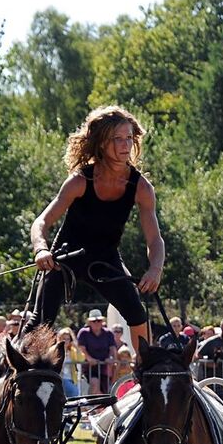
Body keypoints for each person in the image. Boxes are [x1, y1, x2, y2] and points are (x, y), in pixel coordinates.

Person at [26, 105, 165, 353]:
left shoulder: (141, 188)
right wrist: (41, 250)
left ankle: (147, 371)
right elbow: (42, 222)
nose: (125, 145)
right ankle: (18, 377)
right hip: (64, 258)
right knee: (38, 323)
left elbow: (154, 240)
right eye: (117, 139)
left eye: (129, 139)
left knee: (137, 313)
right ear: (101, 143)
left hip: (105, 258)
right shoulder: (80, 180)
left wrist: (155, 268)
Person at [77, 309, 117, 394]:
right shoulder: (83, 333)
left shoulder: (108, 333)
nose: (97, 323)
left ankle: (97, 406)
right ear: (89, 322)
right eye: (94, 321)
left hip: (105, 368)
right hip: (89, 368)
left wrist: (110, 358)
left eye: (99, 320)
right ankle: (89, 405)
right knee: (94, 383)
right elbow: (81, 348)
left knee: (104, 392)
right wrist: (89, 359)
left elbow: (113, 349)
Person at [56, 327, 85, 397]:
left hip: (71, 379)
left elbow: (82, 358)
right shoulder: (55, 350)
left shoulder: (72, 351)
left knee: (73, 398)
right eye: (63, 339)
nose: (66, 341)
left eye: (68, 339)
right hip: (59, 378)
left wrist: (76, 347)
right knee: (74, 393)